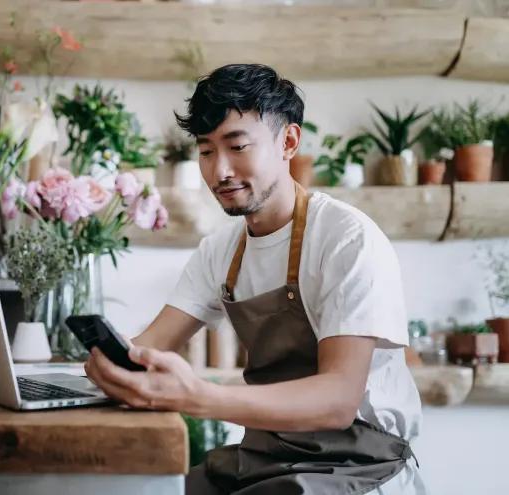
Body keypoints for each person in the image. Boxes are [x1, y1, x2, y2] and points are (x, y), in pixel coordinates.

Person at [84, 63, 426, 495]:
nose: (219, 171)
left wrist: (197, 395)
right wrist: (103, 369)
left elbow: (339, 402)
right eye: (206, 151)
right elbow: (146, 348)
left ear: (288, 142)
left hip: (357, 463)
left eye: (238, 146)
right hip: (267, 454)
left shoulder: (346, 238)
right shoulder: (222, 250)